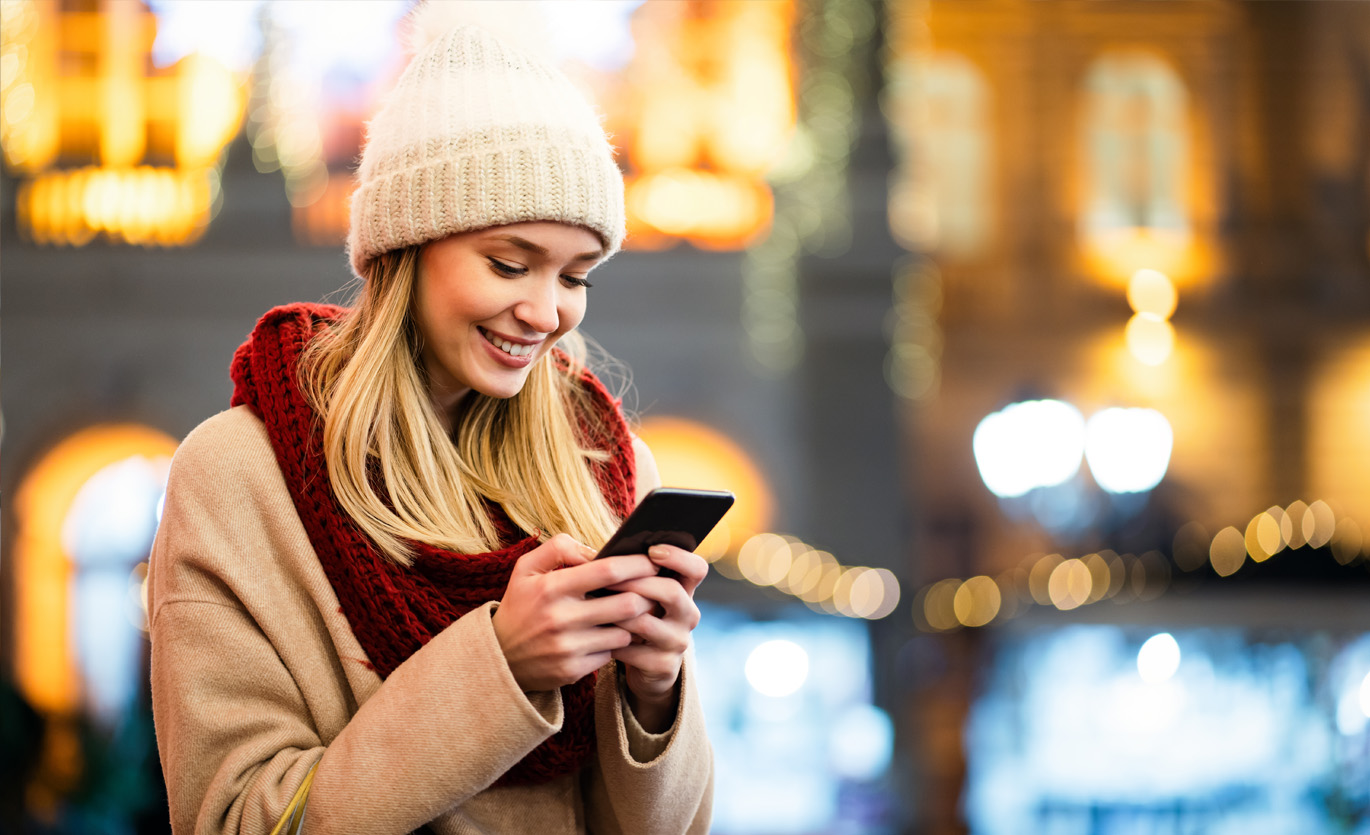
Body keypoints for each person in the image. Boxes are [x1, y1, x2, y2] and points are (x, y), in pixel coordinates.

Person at [147, 9, 714, 835]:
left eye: (576, 275)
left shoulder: (608, 470)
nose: (546, 313)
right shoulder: (240, 476)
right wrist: (500, 665)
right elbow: (233, 819)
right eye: (510, 264)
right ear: (405, 247)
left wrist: (654, 693)